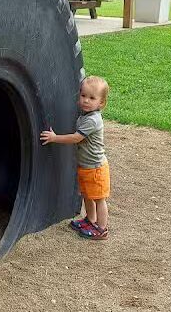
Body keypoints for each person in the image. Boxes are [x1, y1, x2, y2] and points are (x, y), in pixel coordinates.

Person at [40, 75, 110, 240]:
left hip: (96, 168)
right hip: (86, 166)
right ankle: (90, 220)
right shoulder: (85, 115)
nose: (86, 100)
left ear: (101, 103)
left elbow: (76, 138)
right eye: (83, 95)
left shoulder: (92, 120)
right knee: (87, 195)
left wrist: (55, 138)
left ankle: (101, 229)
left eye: (92, 98)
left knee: (99, 199)